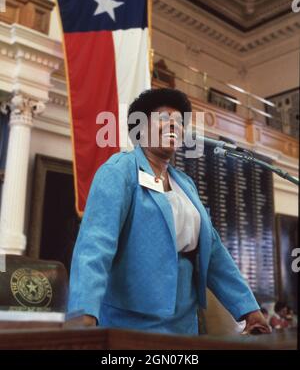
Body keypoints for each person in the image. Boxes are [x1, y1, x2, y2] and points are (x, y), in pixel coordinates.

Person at [68, 88, 270, 335]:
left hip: (185, 320)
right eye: (164, 120)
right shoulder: (118, 172)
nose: (174, 126)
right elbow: (94, 245)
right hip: (132, 321)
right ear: (140, 129)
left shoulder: (185, 185)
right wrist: (83, 314)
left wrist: (249, 309)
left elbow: (213, 252)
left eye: (179, 123)